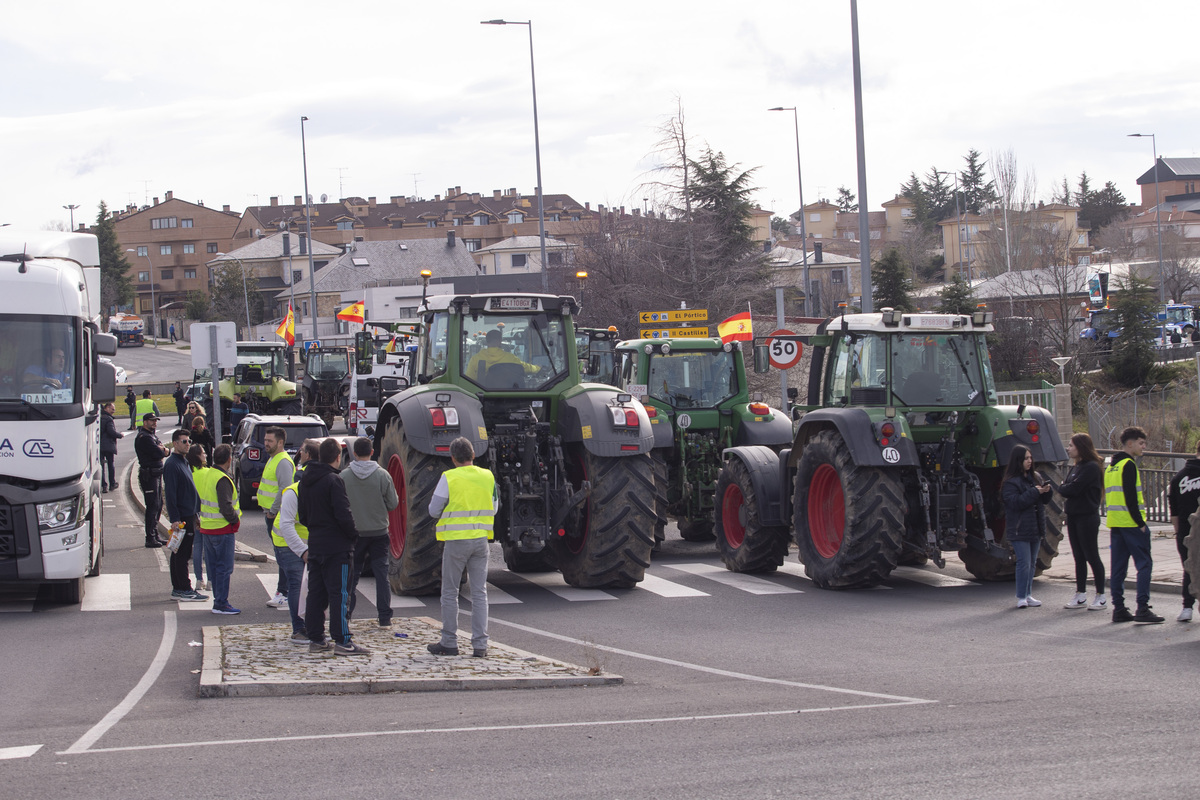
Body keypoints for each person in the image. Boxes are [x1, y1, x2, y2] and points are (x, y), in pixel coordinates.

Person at [427, 436, 497, 657]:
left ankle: (449, 642)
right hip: (480, 541)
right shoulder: (487, 476)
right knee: (480, 594)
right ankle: (480, 645)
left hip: (456, 541)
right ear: (473, 455)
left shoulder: (449, 477)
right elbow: (493, 507)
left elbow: (433, 510)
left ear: (453, 458)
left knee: (449, 592)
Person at [298, 437, 367, 656]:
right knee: (340, 594)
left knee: (316, 593)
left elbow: (303, 516)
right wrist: (353, 535)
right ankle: (343, 640)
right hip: (337, 547)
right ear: (338, 457)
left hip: (316, 542)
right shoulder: (333, 481)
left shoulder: (304, 481)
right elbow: (343, 514)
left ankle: (316, 637)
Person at [1106, 426, 1164, 624]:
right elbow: (1131, 497)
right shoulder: (1128, 465)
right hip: (1131, 523)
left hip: (1115, 523)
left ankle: (1119, 608)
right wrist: (1140, 523)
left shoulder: (1111, 466)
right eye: (1141, 443)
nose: (1143, 446)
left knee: (1118, 568)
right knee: (1144, 564)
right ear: (1129, 444)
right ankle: (1143, 607)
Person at [343, 436, 400, 628]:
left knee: (352, 575)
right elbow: (393, 503)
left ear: (354, 454)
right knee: (382, 575)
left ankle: (347, 614)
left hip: (354, 533)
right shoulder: (383, 475)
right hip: (378, 532)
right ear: (372, 452)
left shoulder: (344, 477)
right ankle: (384, 617)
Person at [1057, 433, 1106, 610]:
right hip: (1074, 516)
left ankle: (1101, 595)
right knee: (1078, 556)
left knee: (1091, 555)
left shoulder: (1091, 467)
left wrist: (1065, 488)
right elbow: (1064, 487)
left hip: (1087, 516)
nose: (1068, 449)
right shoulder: (1076, 466)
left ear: (1081, 447)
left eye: (1071, 446)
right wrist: (1065, 488)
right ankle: (1081, 593)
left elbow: (1073, 488)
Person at [277, 439, 319, 644]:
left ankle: (308, 627)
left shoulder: (299, 488)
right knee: (296, 585)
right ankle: (299, 628)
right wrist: (302, 550)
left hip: (301, 544)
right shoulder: (294, 491)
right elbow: (286, 525)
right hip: (290, 544)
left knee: (306, 587)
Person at [1001, 444, 1052, 609]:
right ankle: (1021, 596)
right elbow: (1016, 503)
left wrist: (1046, 491)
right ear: (1018, 460)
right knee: (1023, 562)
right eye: (1026, 458)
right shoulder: (1010, 483)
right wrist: (1035, 492)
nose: (1030, 461)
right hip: (1019, 528)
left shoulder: (1034, 477)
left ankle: (1028, 594)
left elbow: (1042, 501)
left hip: (1035, 527)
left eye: (1031, 458)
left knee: (1031, 564)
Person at [196, 443, 242, 615]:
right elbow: (226, 506)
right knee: (224, 568)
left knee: (214, 567)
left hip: (208, 528)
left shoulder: (209, 474)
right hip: (222, 529)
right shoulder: (223, 479)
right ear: (229, 460)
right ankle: (221, 603)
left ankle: (218, 600)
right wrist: (235, 521)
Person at [163, 428, 207, 602]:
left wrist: (196, 515)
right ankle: (183, 588)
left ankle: (179, 588)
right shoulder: (172, 465)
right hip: (181, 518)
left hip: (189, 515)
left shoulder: (184, 462)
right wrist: (174, 519)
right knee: (181, 554)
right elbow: (171, 494)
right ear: (175, 443)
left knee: (180, 552)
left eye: (189, 441)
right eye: (184, 441)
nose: (188, 444)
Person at [257, 426, 295, 610]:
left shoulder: (282, 462)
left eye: (269, 441)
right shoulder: (274, 458)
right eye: (265, 440)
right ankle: (284, 591)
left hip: (277, 516)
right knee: (280, 554)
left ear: (280, 442)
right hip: (272, 514)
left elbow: (285, 490)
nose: (266, 443)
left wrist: (272, 511)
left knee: (283, 555)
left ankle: (284, 592)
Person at [1167, 439, 1200, 623]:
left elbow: (1174, 512)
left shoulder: (1179, 477)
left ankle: (1187, 607)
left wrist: (1179, 533)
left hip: (1186, 533)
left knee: (1189, 569)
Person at [134, 412, 169, 548]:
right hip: (149, 475)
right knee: (152, 506)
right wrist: (163, 451)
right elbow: (158, 452)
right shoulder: (144, 437)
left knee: (159, 504)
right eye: (151, 421)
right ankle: (150, 537)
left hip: (156, 473)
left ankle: (155, 535)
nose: (154, 423)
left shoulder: (152, 436)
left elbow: (163, 450)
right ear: (145, 422)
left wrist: (164, 450)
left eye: (155, 420)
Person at [464, 329, 538, 384]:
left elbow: (468, 380)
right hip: (509, 397)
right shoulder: (510, 358)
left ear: (487, 342)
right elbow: (526, 368)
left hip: (485, 398)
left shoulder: (475, 359)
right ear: (500, 341)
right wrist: (538, 368)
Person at [188, 444, 210, 591]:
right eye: (203, 453)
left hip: (195, 515)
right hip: (210, 516)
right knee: (208, 549)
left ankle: (198, 579)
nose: (206, 455)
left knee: (197, 547)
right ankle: (210, 580)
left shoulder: (189, 474)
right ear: (198, 456)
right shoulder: (209, 473)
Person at [99, 402, 123, 493]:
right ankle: (112, 483)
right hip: (108, 445)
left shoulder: (99, 418)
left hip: (100, 446)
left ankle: (103, 485)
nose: (114, 411)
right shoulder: (108, 419)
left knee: (101, 466)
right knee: (110, 464)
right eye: (112, 409)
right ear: (107, 408)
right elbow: (111, 432)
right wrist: (120, 435)